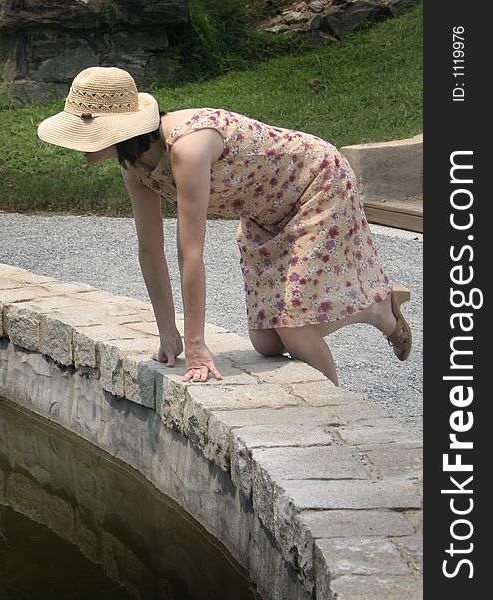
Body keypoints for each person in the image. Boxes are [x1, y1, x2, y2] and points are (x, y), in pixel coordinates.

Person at [36, 66, 411, 386]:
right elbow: (150, 250)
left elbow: (191, 252)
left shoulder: (187, 147)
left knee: (296, 331)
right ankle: (371, 303)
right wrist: (169, 334)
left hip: (316, 184)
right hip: (265, 213)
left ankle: (346, 398)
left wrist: (196, 345)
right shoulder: (134, 164)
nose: (77, 142)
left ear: (120, 128)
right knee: (267, 340)